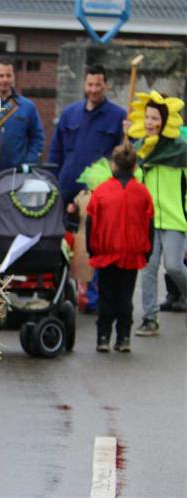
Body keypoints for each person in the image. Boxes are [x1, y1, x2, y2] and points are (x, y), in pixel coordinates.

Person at [128, 91, 187, 335]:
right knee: (149, 269)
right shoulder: (139, 149)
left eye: (155, 118)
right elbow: (134, 183)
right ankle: (150, 319)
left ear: (165, 121)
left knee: (174, 266)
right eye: (147, 117)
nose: (150, 123)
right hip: (148, 221)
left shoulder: (181, 150)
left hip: (175, 219)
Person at [86, 143, 153, 353]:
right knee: (125, 296)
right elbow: (149, 223)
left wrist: (91, 249)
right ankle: (124, 337)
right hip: (132, 252)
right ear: (134, 167)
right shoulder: (142, 193)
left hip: (105, 251)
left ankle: (103, 337)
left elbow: (91, 222)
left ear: (113, 165)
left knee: (106, 295)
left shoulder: (101, 191)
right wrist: (147, 251)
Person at [50, 64, 127, 205]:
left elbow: (125, 156)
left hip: (99, 195)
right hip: (66, 192)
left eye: (98, 85)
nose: (93, 90)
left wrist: (130, 135)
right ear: (84, 85)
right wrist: (53, 182)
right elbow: (56, 152)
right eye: (90, 85)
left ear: (106, 86)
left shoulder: (119, 117)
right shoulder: (69, 114)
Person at [0, 58, 45, 173]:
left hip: (16, 173)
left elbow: (37, 138)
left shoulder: (27, 106)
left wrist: (27, 162)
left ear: (14, 77)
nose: (5, 80)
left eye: (8, 76)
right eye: (1, 76)